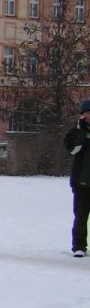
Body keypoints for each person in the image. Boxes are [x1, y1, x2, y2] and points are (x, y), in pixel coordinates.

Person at [64, 99, 90, 257]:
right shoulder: (75, 132)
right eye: (87, 113)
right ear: (82, 115)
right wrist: (81, 131)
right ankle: (79, 246)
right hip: (82, 182)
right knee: (80, 216)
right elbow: (73, 150)